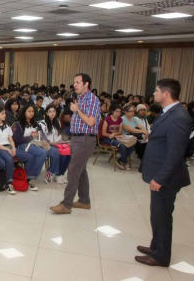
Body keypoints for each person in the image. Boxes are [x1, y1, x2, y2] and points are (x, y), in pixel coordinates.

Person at [135, 78, 192, 268]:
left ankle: (160, 256)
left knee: (162, 215)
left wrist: (160, 177)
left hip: (166, 177)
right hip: (159, 171)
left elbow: (175, 153)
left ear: (166, 94)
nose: (154, 94)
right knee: (156, 214)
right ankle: (156, 246)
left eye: (157, 90)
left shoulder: (179, 117)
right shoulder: (169, 113)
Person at [50, 73, 100, 214]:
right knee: (81, 169)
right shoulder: (80, 99)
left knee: (73, 170)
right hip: (78, 138)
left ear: (86, 84)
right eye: (74, 82)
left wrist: (77, 111)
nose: (75, 85)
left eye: (78, 82)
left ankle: (66, 205)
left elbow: (91, 122)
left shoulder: (92, 99)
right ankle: (84, 201)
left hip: (85, 139)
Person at [0, 105, 43, 194]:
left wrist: (13, 147)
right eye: (2, 114)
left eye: (5, 113)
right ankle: (8, 183)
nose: (5, 115)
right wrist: (7, 149)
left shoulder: (7, 125)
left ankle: (28, 180)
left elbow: (10, 139)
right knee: (9, 158)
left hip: (9, 147)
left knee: (30, 157)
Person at [40, 104, 71, 184]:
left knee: (69, 151)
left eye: (54, 111)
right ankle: (56, 174)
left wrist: (62, 141)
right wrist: (53, 143)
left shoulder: (57, 121)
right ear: (46, 113)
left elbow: (59, 135)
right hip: (47, 145)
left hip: (57, 143)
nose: (52, 113)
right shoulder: (42, 124)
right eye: (50, 112)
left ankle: (61, 173)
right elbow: (42, 138)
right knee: (62, 153)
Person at [101, 104, 134, 170]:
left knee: (132, 146)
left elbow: (120, 131)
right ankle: (125, 162)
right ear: (112, 111)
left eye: (119, 112)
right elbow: (103, 133)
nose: (118, 113)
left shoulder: (120, 119)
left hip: (116, 137)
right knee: (122, 146)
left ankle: (120, 159)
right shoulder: (107, 119)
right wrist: (110, 135)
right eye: (116, 111)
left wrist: (114, 134)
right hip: (107, 138)